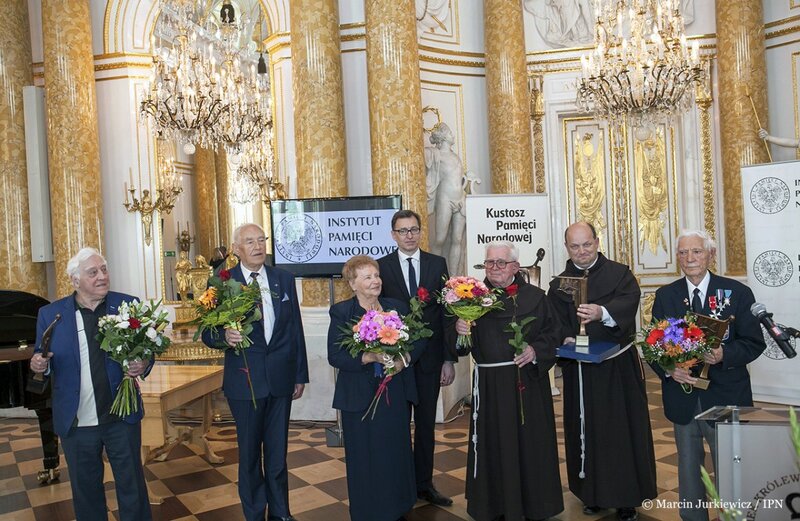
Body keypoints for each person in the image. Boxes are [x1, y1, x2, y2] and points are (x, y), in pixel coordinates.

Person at [29, 247, 153, 521]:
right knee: (86, 492)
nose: (102, 276)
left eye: (104, 270)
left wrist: (143, 363)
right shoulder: (52, 315)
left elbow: (146, 348)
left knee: (132, 487)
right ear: (75, 280)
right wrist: (39, 364)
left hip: (121, 417)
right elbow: (42, 355)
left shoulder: (127, 305)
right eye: (93, 272)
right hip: (77, 420)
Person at [651, 230, 766, 521]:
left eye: (696, 251)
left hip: (726, 394)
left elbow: (754, 343)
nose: (689, 258)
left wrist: (724, 354)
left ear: (711, 255)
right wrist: (669, 370)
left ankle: (733, 516)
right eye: (683, 252)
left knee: (730, 466)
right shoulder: (666, 295)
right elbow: (652, 347)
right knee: (689, 466)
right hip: (684, 397)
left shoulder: (737, 292)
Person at [547, 222, 657, 521]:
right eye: (574, 246)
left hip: (616, 367)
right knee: (584, 428)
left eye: (587, 244)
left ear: (597, 242)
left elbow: (628, 302)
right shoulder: (559, 285)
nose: (581, 251)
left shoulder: (620, 274)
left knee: (620, 431)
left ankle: (626, 498)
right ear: (566, 248)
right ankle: (591, 493)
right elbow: (553, 320)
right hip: (579, 370)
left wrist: (602, 312)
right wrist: (563, 337)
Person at [201, 223, 309, 521]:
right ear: (236, 249)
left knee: (277, 454)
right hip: (244, 381)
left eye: (261, 240)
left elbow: (295, 330)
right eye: (250, 241)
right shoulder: (221, 282)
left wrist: (300, 375)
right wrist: (224, 336)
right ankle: (254, 514)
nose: (258, 246)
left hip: (281, 379)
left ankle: (281, 512)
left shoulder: (283, 279)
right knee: (249, 455)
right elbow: (207, 332)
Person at [454, 241, 563, 521]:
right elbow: (461, 348)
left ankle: (536, 505)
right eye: (489, 262)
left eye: (501, 262)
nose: (494, 268)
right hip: (489, 386)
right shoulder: (470, 299)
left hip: (527, 383)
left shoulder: (536, 298)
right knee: (493, 444)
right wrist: (459, 330)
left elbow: (554, 333)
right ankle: (493, 505)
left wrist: (535, 350)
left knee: (531, 443)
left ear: (515, 266)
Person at [327, 255, 420, 521]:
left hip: (394, 394)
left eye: (376, 275)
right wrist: (368, 357)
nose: (375, 281)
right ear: (352, 284)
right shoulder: (342, 312)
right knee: (365, 456)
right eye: (367, 277)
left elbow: (417, 341)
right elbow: (336, 355)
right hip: (359, 399)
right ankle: (368, 511)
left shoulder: (396, 308)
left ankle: (398, 506)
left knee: (395, 451)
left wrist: (403, 360)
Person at [377, 209, 457, 507]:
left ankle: (424, 484)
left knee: (425, 426)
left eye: (413, 230)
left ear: (420, 232)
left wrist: (449, 359)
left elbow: (447, 313)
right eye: (403, 231)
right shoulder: (382, 267)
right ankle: (401, 486)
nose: (409, 235)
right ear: (393, 235)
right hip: (396, 360)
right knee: (397, 425)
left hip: (430, 361)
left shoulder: (437, 264)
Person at [425, 123, 467, 273]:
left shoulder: (455, 156)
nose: (453, 136)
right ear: (442, 137)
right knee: (440, 239)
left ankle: (454, 277)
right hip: (445, 198)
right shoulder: (434, 154)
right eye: (450, 133)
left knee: (457, 240)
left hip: (460, 198)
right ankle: (434, 274)